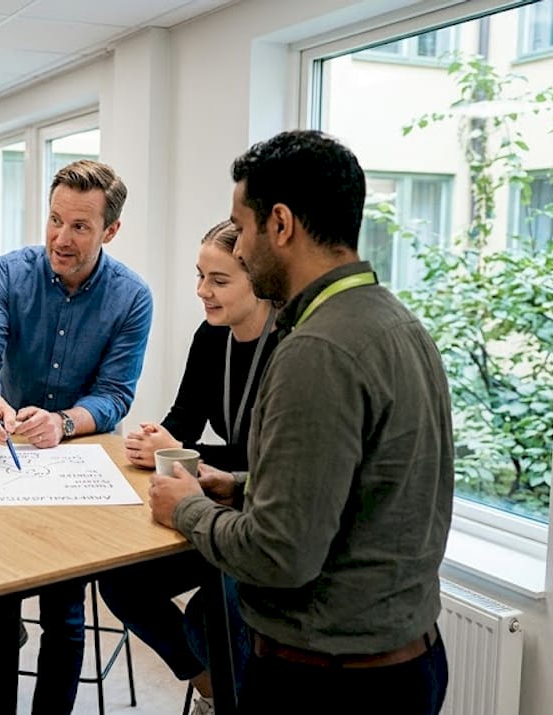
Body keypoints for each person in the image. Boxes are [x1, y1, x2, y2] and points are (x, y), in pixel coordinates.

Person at [151, 129, 453, 714]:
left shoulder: (316, 350)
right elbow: (361, 487)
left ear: (281, 225)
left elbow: (278, 556)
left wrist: (186, 508)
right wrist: (238, 486)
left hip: (329, 684)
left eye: (241, 230)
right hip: (403, 662)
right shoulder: (400, 324)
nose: (237, 250)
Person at [0, 159, 154, 712]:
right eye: (55, 220)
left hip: (74, 466)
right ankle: (1, 628)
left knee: (63, 613)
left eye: (80, 226)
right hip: (2, 450)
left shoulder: (132, 298)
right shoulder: (7, 274)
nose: (61, 238)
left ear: (110, 231)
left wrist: (62, 423)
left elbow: (114, 396)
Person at [100, 219, 279, 714]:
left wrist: (185, 448)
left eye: (219, 281)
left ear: (259, 280)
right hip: (217, 502)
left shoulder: (292, 349)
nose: (203, 291)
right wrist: (154, 438)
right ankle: (211, 689)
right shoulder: (211, 335)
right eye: (200, 276)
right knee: (121, 583)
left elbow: (266, 464)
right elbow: (183, 417)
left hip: (260, 516)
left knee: (213, 614)